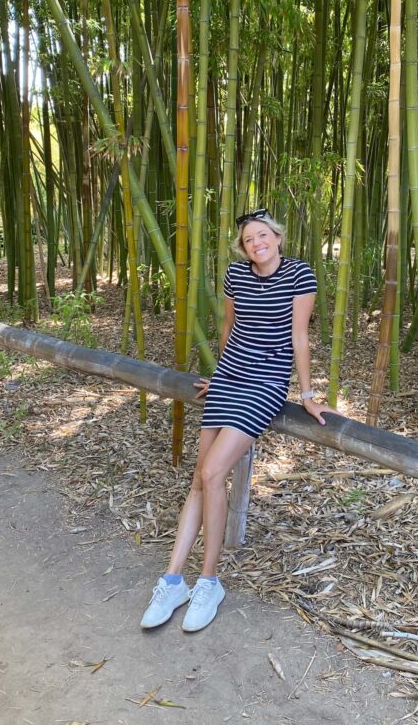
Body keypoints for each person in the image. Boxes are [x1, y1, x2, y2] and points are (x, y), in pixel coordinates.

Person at [141, 208, 332, 632]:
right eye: (249, 239)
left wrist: (307, 396)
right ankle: (173, 581)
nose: (257, 243)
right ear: (243, 247)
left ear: (278, 238)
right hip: (230, 376)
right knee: (198, 479)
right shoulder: (236, 275)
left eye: (263, 235)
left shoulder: (301, 275)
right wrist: (219, 372)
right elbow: (230, 326)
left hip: (265, 382)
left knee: (212, 473)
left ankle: (209, 582)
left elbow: (300, 337)